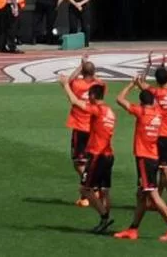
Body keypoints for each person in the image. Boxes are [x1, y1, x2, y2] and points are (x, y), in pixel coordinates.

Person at [112, 78, 167, 242]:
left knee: (152, 194)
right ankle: (133, 229)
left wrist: (131, 84)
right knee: (141, 195)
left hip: (144, 158)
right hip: (153, 155)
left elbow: (119, 99)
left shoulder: (141, 112)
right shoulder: (158, 112)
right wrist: (142, 86)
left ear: (141, 102)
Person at [58, 72, 116, 234]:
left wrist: (65, 86)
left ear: (92, 95)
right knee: (104, 190)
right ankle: (105, 220)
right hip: (109, 154)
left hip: (98, 155)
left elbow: (75, 102)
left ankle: (104, 217)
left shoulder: (98, 111)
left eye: (89, 94)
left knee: (85, 190)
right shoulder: (110, 111)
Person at [136, 54, 167, 214]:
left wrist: (149, 66)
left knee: (165, 171)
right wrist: (165, 68)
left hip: (162, 135)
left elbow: (140, 82)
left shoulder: (157, 93)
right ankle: (164, 200)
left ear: (157, 81)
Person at [61, 56, 109, 208]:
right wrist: (88, 70)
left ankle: (91, 186)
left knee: (78, 163)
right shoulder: (99, 86)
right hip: (94, 128)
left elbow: (68, 81)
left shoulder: (77, 84)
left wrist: (79, 67)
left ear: (82, 72)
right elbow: (99, 80)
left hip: (80, 127)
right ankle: (84, 196)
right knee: (89, 161)